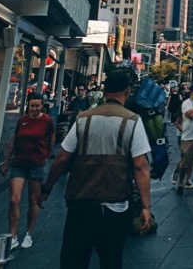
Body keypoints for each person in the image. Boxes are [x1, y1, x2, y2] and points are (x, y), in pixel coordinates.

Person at [39, 70, 152, 269]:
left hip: (80, 204)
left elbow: (62, 158)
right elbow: (141, 166)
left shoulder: (84, 118)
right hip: (114, 207)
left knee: (73, 260)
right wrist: (145, 206)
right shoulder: (133, 120)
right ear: (126, 92)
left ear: (104, 91)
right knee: (111, 260)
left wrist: (47, 188)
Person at [1, 93, 55, 250]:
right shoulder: (22, 120)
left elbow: (51, 137)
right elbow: (14, 140)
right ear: (28, 105)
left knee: (33, 200)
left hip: (37, 164)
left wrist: (47, 155)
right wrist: (6, 162)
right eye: (32, 105)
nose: (35, 109)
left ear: (42, 105)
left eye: (37, 105)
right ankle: (13, 235)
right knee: (13, 200)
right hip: (19, 163)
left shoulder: (47, 121)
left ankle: (29, 234)